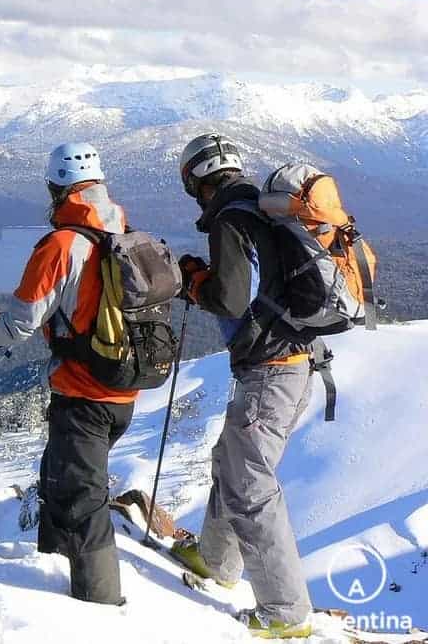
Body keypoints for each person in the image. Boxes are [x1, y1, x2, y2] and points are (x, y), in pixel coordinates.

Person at [0, 142, 136, 606]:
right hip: (123, 388)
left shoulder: (60, 244)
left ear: (56, 187)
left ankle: (99, 605)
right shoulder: (121, 230)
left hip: (84, 394)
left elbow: (19, 325)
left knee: (82, 499)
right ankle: (54, 572)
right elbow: (75, 297)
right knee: (59, 478)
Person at [171, 133, 314, 639]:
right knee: (230, 461)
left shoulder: (232, 219)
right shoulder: (260, 209)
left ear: (195, 180)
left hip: (271, 372)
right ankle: (215, 559)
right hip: (295, 364)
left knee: (251, 487)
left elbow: (232, 300)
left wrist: (194, 281)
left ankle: (286, 614)